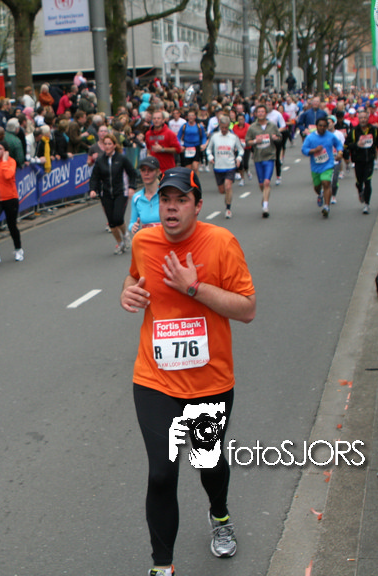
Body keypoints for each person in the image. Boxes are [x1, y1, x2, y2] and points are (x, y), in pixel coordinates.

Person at [119, 167, 256, 576]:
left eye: (181, 200)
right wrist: (127, 293)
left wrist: (193, 288)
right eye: (165, 200)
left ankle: (220, 514)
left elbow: (247, 309)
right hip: (155, 378)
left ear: (198, 206)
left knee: (207, 462)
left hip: (209, 381)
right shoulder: (144, 241)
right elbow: (133, 278)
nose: (172, 208)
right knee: (162, 472)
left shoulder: (221, 243)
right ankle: (162, 566)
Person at [88, 132, 139, 254]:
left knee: (118, 218)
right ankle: (120, 243)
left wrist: (132, 187)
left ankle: (125, 235)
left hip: (120, 192)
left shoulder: (121, 159)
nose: (107, 146)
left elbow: (132, 173)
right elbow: (94, 177)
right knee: (111, 222)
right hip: (106, 193)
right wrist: (93, 189)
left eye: (109, 144)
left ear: (114, 145)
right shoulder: (100, 160)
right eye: (105, 144)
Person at [344, 110, 378, 215]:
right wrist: (356, 145)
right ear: (358, 119)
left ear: (368, 119)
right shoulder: (354, 131)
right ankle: (360, 190)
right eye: (361, 118)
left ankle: (367, 204)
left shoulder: (373, 130)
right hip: (358, 160)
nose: (363, 120)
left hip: (369, 160)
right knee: (359, 182)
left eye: (365, 118)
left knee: (367, 181)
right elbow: (346, 145)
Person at [301, 117, 343, 218]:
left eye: (324, 126)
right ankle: (320, 194)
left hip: (328, 164)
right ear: (316, 126)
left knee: (326, 183)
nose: (322, 128)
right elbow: (304, 149)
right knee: (317, 186)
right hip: (315, 166)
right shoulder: (310, 137)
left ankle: (326, 207)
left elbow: (338, 145)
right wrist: (314, 150)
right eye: (320, 126)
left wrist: (340, 153)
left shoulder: (330, 136)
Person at [244, 104, 281, 218]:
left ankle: (265, 206)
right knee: (261, 184)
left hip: (270, 156)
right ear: (256, 114)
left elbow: (280, 137)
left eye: (262, 112)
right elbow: (247, 141)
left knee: (267, 182)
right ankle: (265, 197)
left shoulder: (272, 125)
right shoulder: (252, 127)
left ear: (266, 113)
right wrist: (255, 141)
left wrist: (276, 138)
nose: (260, 114)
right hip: (258, 157)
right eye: (258, 112)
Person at [206, 115, 244, 219]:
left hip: (230, 166)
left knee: (228, 186)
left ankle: (228, 209)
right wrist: (210, 157)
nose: (224, 130)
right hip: (218, 166)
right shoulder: (214, 136)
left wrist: (239, 158)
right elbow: (208, 149)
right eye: (222, 127)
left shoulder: (233, 137)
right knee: (222, 190)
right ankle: (227, 199)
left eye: (226, 128)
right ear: (219, 126)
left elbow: (241, 150)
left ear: (228, 127)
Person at [129, 156, 162, 236]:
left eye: (150, 170)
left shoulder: (164, 194)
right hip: (147, 238)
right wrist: (133, 227)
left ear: (158, 172)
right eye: (143, 170)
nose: (146, 173)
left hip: (165, 238)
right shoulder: (136, 197)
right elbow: (132, 222)